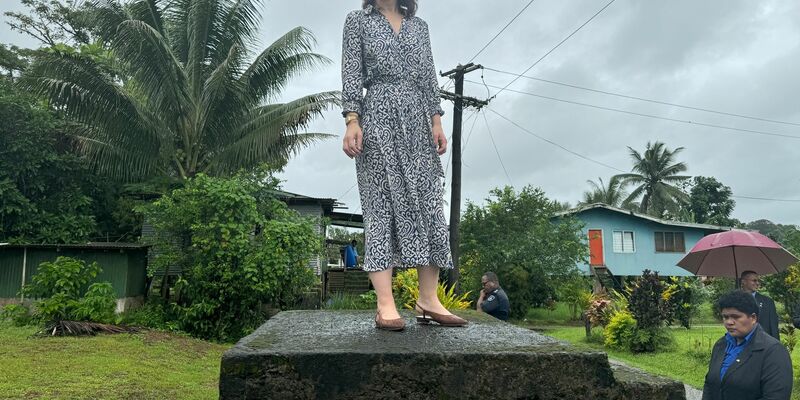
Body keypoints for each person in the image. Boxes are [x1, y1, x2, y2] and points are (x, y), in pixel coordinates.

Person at [341, 0, 466, 331]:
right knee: (380, 202)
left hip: (419, 122)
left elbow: (428, 75)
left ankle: (428, 300)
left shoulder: (419, 26)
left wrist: (436, 121)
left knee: (429, 205)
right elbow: (352, 73)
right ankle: (385, 304)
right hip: (378, 116)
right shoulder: (357, 21)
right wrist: (352, 120)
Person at [702, 290, 792, 400]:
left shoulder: (773, 351)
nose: (729, 322)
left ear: (753, 318)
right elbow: (709, 384)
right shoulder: (721, 345)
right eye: (725, 317)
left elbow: (776, 396)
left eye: (736, 317)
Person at [740, 270, 779, 340]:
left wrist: (777, 347)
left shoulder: (768, 302)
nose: (757, 283)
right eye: (754, 281)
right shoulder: (735, 300)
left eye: (758, 281)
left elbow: (774, 328)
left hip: (763, 343)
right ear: (743, 282)